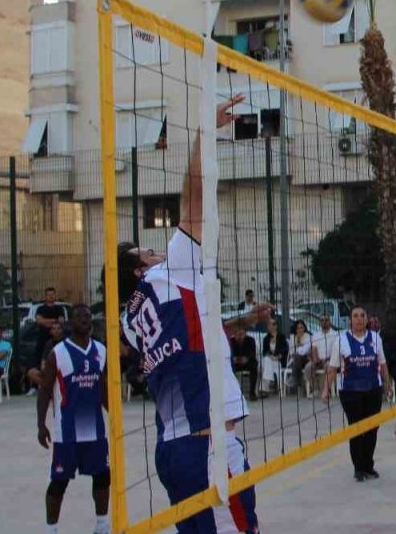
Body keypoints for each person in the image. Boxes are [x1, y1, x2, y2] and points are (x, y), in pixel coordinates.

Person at [119, 95, 268, 534]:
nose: (152, 246)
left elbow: (194, 336)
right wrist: (207, 131)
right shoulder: (172, 270)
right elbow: (194, 199)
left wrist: (242, 322)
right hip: (208, 444)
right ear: (138, 266)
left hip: (172, 446)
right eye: (143, 248)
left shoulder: (132, 316)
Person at [37, 304, 110, 534]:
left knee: (102, 476)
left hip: (95, 430)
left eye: (88, 316)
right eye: (79, 317)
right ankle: (52, 529)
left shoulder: (101, 349)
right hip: (65, 431)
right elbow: (45, 390)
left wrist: (116, 417)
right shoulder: (58, 353)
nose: (85, 320)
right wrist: (41, 424)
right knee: (59, 481)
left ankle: (102, 526)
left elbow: (104, 388)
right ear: (71, 322)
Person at [323, 306, 391, 481]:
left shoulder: (375, 338)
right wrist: (325, 390)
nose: (359, 319)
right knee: (356, 428)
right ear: (350, 320)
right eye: (355, 316)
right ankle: (358, 467)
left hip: (373, 390)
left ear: (367, 319)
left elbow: (382, 364)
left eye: (362, 315)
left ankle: (368, 465)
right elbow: (332, 368)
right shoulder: (341, 340)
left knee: (372, 429)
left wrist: (387, 384)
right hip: (350, 391)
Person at [28, 320, 66, 393]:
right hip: (50, 368)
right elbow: (44, 359)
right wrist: (43, 368)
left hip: (62, 368)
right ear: (51, 331)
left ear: (62, 331)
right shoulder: (49, 343)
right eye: (54, 329)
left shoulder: (66, 342)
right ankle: (49, 388)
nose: (56, 331)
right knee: (31, 372)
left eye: (58, 329)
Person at [228, 321, 259, 401]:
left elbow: (252, 353)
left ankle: (252, 392)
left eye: (241, 333)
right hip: (236, 364)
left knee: (254, 365)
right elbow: (230, 353)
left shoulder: (250, 340)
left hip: (247, 362)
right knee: (228, 367)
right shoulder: (231, 341)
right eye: (237, 333)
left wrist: (246, 358)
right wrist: (234, 359)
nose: (240, 335)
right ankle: (234, 393)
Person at [34, 287, 65, 365]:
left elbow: (61, 321)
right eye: (48, 294)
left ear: (55, 295)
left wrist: (45, 321)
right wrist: (54, 320)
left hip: (56, 340)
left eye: (52, 294)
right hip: (43, 339)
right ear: (45, 296)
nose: (50, 296)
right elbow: (39, 321)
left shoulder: (59, 308)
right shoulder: (40, 308)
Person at [259, 318, 287, 396]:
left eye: (272, 324)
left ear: (276, 326)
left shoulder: (281, 337)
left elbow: (285, 350)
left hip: (278, 361)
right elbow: (264, 352)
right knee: (267, 361)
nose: (270, 326)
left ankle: (264, 389)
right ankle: (265, 388)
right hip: (269, 360)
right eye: (269, 325)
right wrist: (270, 356)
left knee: (265, 364)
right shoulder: (266, 338)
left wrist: (278, 357)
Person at [288, 319, 313, 394]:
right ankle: (297, 379)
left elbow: (305, 351)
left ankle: (295, 378)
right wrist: (299, 344)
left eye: (301, 327)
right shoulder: (292, 338)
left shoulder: (308, 336)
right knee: (297, 357)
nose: (300, 330)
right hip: (295, 360)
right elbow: (291, 351)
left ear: (304, 328)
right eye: (298, 328)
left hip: (305, 359)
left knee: (297, 356)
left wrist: (298, 346)